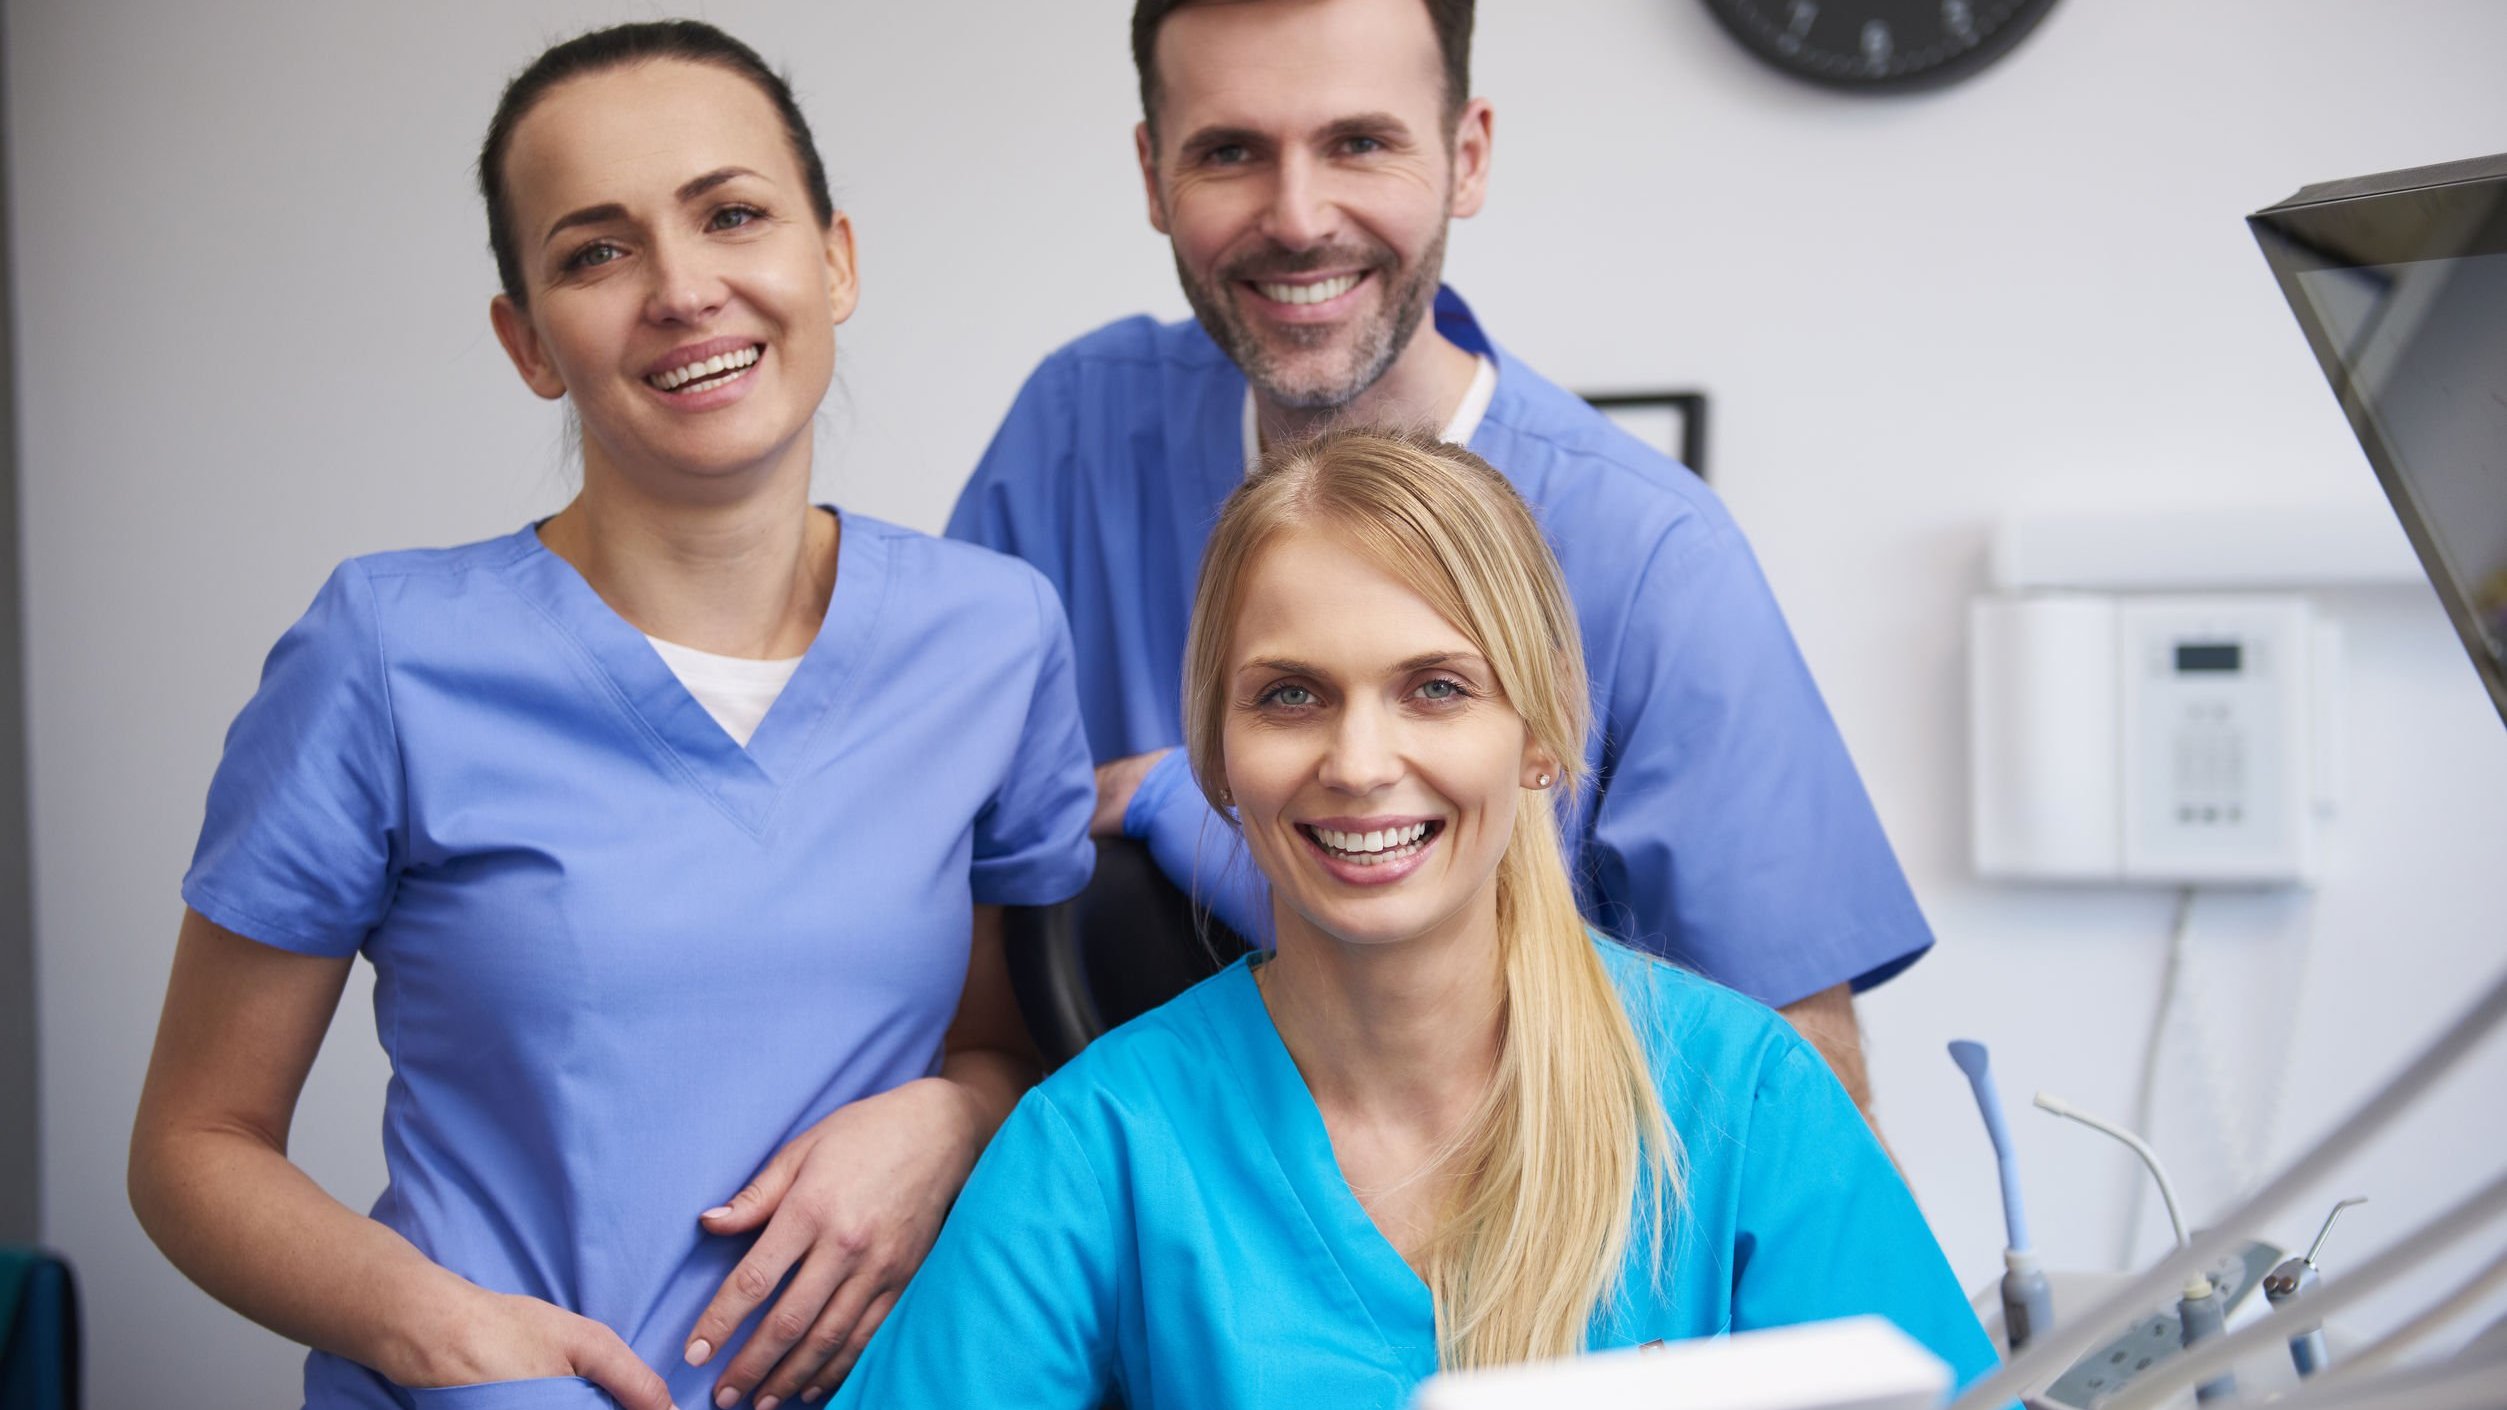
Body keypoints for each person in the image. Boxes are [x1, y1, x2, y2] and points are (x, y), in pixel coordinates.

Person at [125, 22, 1093, 1410]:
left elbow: (999, 1040)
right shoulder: (388, 654)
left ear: (834, 260)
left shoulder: (993, 638)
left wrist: (954, 1116)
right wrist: (436, 1332)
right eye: (596, 251)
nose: (683, 288)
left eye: (732, 215)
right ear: (527, 342)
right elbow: (193, 1142)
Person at [838, 429, 1997, 1408]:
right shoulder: (1102, 1145)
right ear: (1218, 753)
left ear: (1538, 732)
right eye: (1290, 696)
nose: (1357, 762)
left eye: (1435, 689)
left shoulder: (1739, 1101)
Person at [949, 0, 1926, 1119]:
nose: (1299, 217)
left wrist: (1188, 809)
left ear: (1464, 158)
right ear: (1153, 174)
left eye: (1359, 143)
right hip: (1130, 1235)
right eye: (1228, 151)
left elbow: (1800, 1099)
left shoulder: (1652, 556)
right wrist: (954, 1102)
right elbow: (922, 859)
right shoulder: (1077, 433)